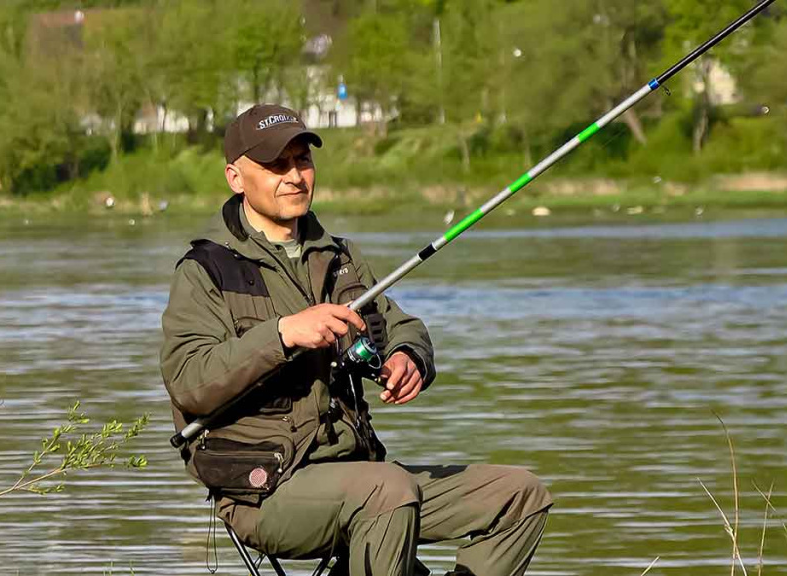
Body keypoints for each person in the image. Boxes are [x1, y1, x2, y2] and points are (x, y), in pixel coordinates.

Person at [159, 104, 552, 576]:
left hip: (365, 471)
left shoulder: (341, 257)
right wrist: (282, 334)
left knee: (520, 493)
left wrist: (410, 357)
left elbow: (401, 325)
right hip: (264, 491)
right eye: (275, 165)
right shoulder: (205, 271)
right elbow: (189, 382)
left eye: (302, 160)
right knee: (387, 491)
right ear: (235, 178)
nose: (294, 175)